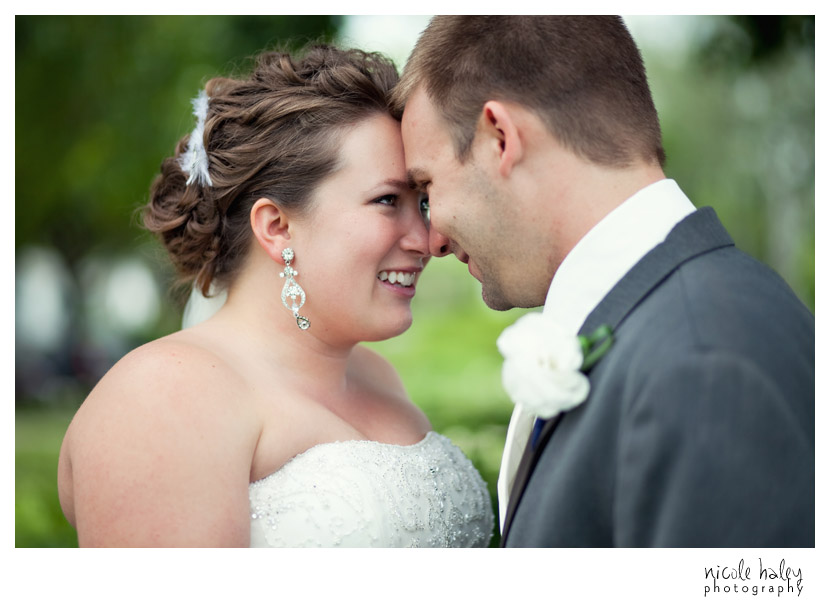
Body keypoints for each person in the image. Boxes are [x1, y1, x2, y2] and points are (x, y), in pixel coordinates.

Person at [394, 16, 814, 546]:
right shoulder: (682, 320)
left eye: (428, 187)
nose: (432, 240)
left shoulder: (702, 365)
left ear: (500, 137)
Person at [57, 45, 494, 547]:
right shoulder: (162, 394)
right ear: (277, 226)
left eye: (422, 203)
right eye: (388, 200)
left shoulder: (376, 376)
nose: (427, 239)